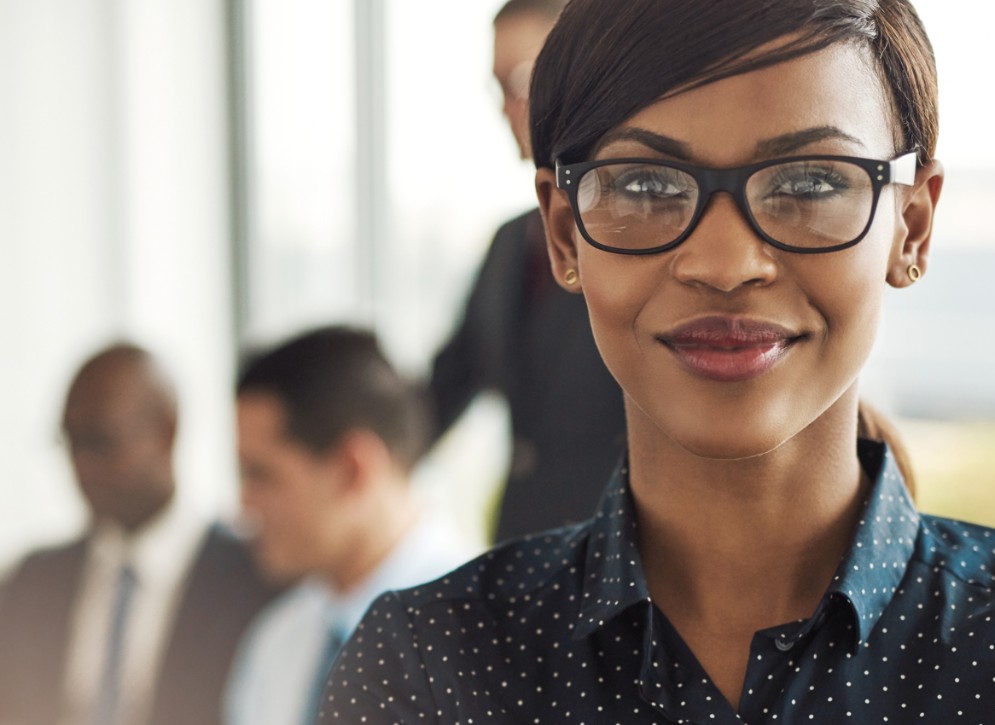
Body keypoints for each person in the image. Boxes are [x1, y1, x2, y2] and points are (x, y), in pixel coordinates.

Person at [319, 0, 995, 721]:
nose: (724, 263)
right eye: (642, 184)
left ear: (912, 225)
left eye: (810, 183)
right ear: (564, 232)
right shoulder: (424, 663)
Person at [422, 0, 627, 542]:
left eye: (522, 78)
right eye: (498, 87)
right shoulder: (510, 242)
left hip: (623, 556)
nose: (507, 107)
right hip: (525, 547)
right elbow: (449, 382)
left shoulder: (643, 236)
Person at [0, 344, 278, 725]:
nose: (81, 465)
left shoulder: (256, 578)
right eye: (72, 441)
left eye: (99, 441)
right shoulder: (31, 583)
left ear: (166, 431)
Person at [224, 326, 472, 725]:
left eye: (261, 475)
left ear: (351, 470)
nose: (243, 506)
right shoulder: (278, 642)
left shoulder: (484, 640)